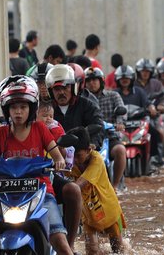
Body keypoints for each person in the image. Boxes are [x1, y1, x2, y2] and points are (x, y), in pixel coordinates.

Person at [0, 77, 72, 255]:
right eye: (13, 107)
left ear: (31, 109)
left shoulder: (40, 129)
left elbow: (57, 155)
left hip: (40, 191)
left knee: (62, 244)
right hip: (6, 193)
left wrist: (58, 161)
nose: (18, 112)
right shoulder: (1, 133)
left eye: (23, 107)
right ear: (7, 110)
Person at [46, 64, 105, 252]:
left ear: (73, 87)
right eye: (56, 89)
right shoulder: (44, 110)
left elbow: (98, 124)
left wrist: (88, 142)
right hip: (54, 162)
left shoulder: (87, 104)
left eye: (64, 87)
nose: (61, 92)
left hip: (82, 155)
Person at [64, 127, 126, 254]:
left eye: (78, 156)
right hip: (89, 215)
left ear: (88, 150)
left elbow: (78, 185)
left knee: (118, 250)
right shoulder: (70, 162)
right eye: (71, 155)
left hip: (110, 212)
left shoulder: (96, 160)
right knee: (91, 251)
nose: (74, 160)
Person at [84, 67, 128, 190]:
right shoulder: (83, 100)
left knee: (120, 150)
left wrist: (120, 123)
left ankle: (115, 185)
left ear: (101, 81)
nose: (92, 83)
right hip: (91, 137)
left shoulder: (113, 95)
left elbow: (122, 112)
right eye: (88, 81)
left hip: (110, 136)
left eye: (94, 80)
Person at [114, 65, 164, 167]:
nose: (125, 80)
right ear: (117, 80)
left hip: (139, 122)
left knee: (154, 132)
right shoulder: (114, 93)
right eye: (122, 78)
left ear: (132, 78)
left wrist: (152, 108)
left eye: (127, 78)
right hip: (121, 124)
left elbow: (148, 103)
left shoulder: (139, 91)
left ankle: (155, 157)